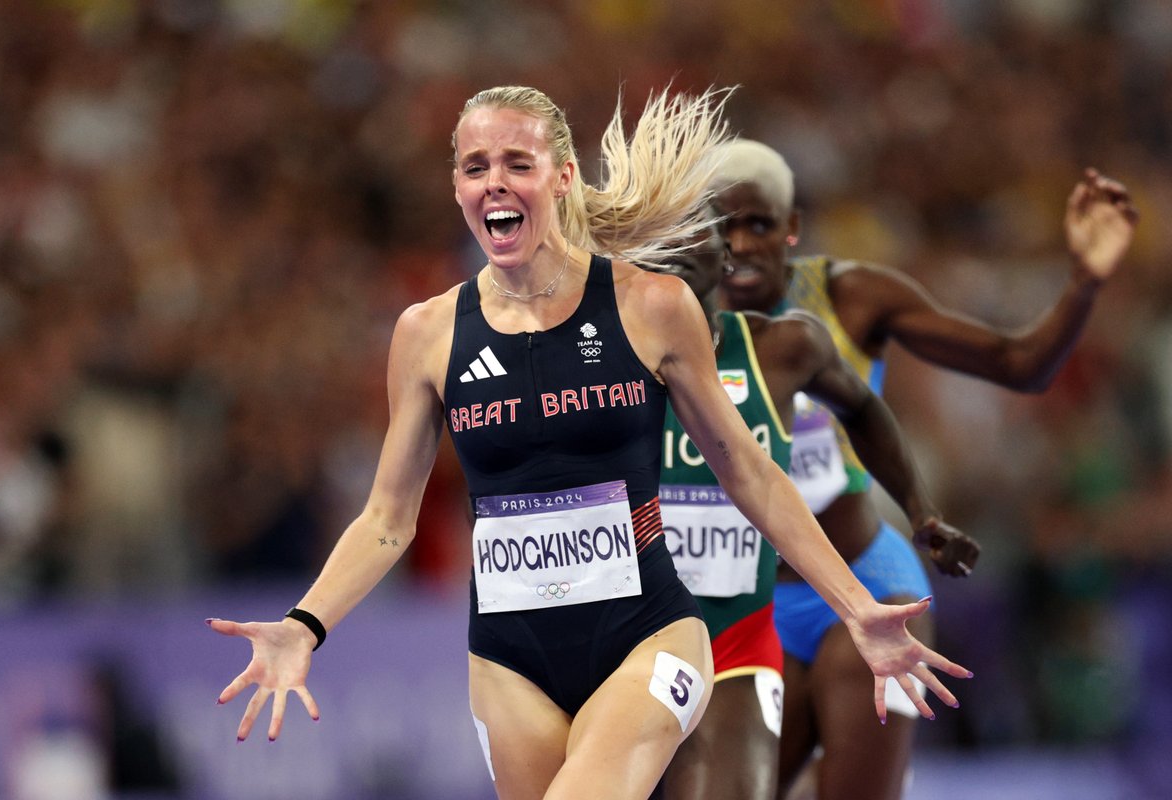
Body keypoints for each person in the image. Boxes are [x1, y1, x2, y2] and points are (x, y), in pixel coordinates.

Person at [207, 87, 971, 800]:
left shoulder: (649, 305)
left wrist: (858, 607)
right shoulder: (427, 334)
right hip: (509, 660)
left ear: (563, 176)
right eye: (475, 167)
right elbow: (386, 520)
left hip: (648, 636)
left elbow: (750, 472)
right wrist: (305, 624)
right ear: (457, 189)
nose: (495, 182)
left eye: (518, 163)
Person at [713, 138, 1139, 800]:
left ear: (791, 228)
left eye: (759, 224)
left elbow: (1020, 364)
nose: (739, 244)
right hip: (751, 601)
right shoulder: (674, 320)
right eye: (721, 226)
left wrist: (1085, 282)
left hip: (868, 588)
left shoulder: (850, 299)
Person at [650, 225, 979, 799]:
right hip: (738, 609)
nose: (676, 250)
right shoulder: (614, 365)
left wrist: (921, 514)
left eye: (758, 227)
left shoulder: (787, 346)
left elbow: (864, 409)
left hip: (863, 585)